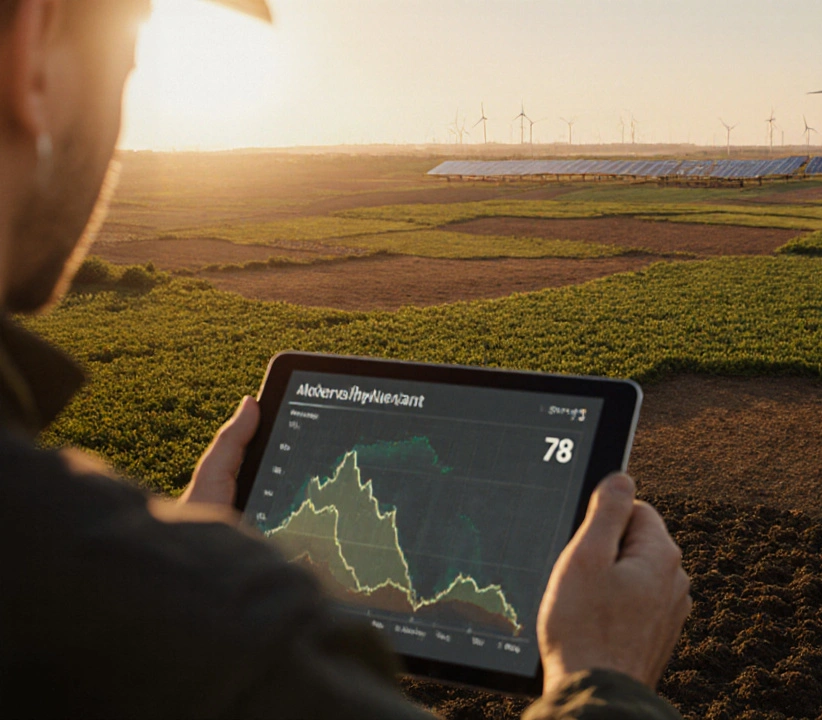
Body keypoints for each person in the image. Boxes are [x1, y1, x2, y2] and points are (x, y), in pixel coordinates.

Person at [0, 1, 690, 717]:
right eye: (127, 71)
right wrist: (606, 679)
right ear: (35, 50)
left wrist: (171, 573)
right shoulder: (220, 651)